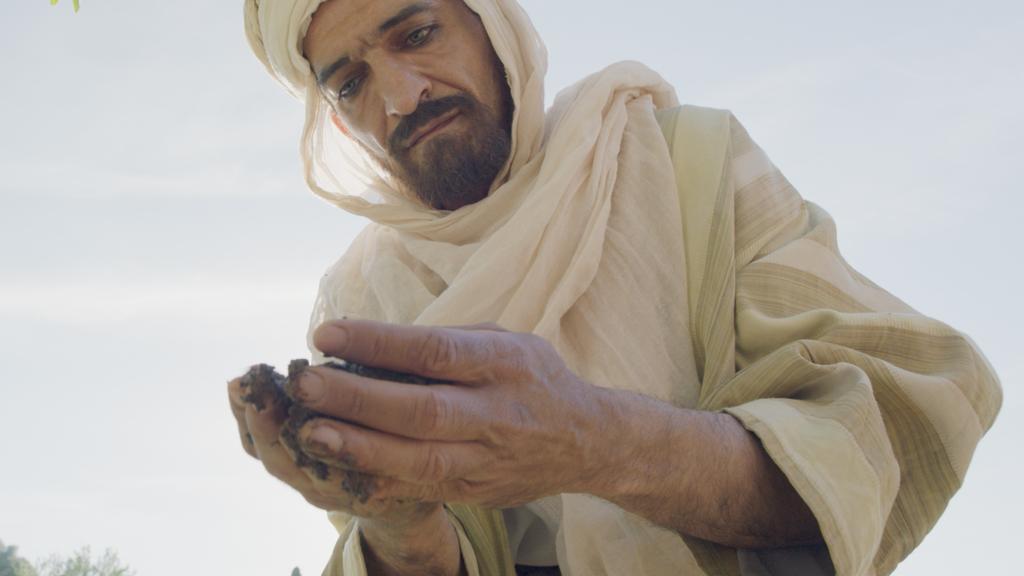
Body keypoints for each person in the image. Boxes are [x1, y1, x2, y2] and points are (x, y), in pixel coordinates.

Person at [229, 1, 1002, 575]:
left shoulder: (688, 161)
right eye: (351, 83)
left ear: (490, 23)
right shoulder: (360, 302)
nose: (399, 98)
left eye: (418, 34)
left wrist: (595, 443)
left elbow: (884, 423)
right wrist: (401, 529)